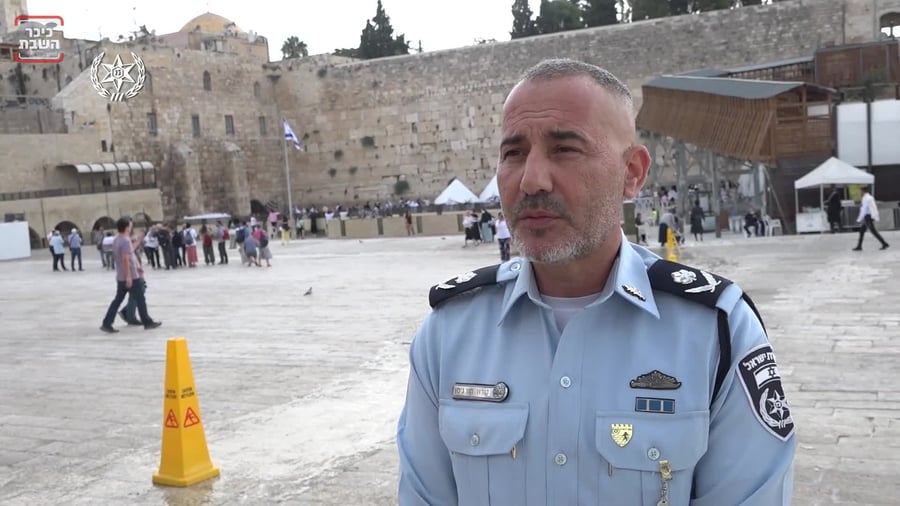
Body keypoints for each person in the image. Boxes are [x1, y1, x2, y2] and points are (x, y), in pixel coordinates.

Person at [396, 59, 795, 505]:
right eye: (514, 153)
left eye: (565, 149)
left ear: (632, 173)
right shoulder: (450, 333)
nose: (531, 180)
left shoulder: (718, 332)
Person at [100, 217, 161, 333]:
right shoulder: (125, 241)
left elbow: (128, 251)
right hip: (131, 275)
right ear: (127, 227)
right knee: (140, 299)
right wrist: (129, 276)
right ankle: (147, 322)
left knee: (117, 300)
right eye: (130, 225)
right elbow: (125, 258)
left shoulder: (117, 239)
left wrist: (138, 241)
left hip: (121, 275)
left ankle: (107, 323)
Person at [853, 186, 889, 251]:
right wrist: (874, 216)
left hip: (867, 217)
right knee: (862, 231)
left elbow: (864, 209)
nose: (860, 193)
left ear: (863, 191)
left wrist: (859, 219)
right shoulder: (870, 197)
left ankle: (884, 243)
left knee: (873, 231)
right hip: (868, 216)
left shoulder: (866, 198)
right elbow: (873, 207)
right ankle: (859, 246)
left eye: (860, 191)